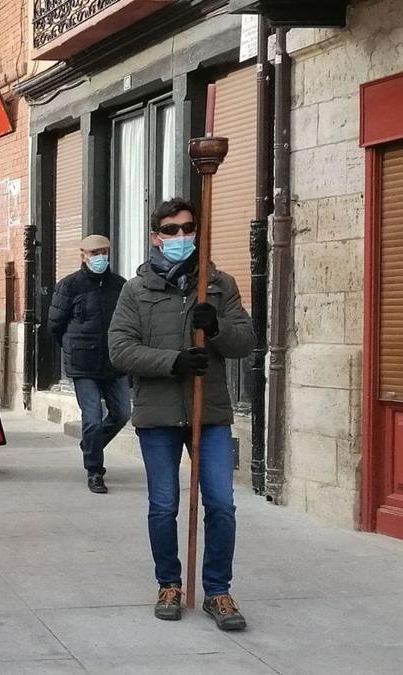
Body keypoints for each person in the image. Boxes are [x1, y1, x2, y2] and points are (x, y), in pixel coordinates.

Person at [108, 198, 254, 631]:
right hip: (158, 414)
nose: (180, 237)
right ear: (156, 236)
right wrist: (173, 361)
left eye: (187, 228)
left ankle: (218, 591)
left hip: (208, 412)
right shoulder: (137, 290)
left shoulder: (219, 284)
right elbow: (120, 349)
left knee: (222, 504)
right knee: (164, 505)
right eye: (170, 230)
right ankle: (168, 583)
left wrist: (216, 328)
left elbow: (245, 341)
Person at [49, 234, 130, 494]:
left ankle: (90, 444)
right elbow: (54, 325)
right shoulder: (69, 286)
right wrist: (73, 348)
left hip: (114, 362)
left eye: (104, 252)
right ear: (83, 256)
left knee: (122, 414)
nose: (100, 258)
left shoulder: (121, 285)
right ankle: (95, 470)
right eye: (94, 254)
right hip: (83, 364)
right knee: (92, 418)